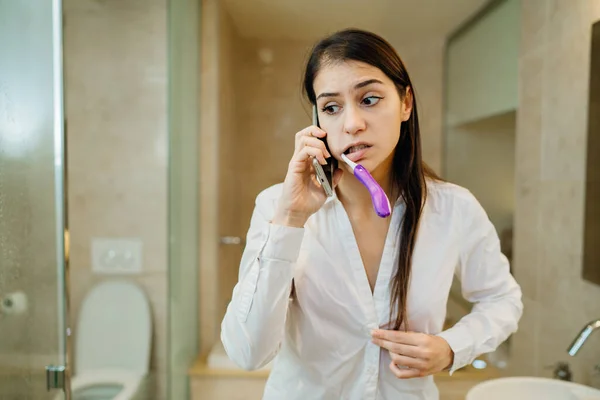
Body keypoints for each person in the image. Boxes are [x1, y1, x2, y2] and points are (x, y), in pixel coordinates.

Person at [220, 28, 523, 400]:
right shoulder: (277, 206)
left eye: (369, 99)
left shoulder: (454, 209)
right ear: (317, 121)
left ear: (406, 103)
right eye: (331, 107)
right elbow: (247, 352)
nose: (351, 124)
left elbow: (502, 300)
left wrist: (451, 348)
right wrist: (289, 220)